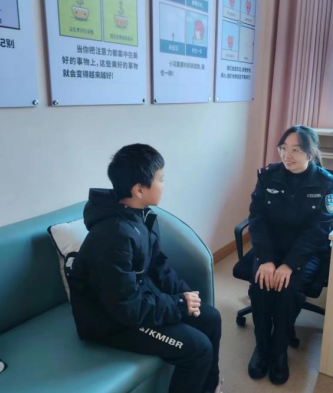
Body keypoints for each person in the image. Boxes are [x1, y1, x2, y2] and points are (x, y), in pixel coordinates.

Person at [67, 144, 223, 393]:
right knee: (198, 349)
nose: (164, 185)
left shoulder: (140, 216)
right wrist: (178, 304)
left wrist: (187, 295)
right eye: (160, 179)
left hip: (137, 300)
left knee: (210, 317)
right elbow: (126, 308)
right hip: (110, 321)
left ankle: (210, 387)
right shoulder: (114, 236)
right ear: (139, 189)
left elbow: (158, 265)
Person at [247, 125, 333, 385]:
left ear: (310, 152)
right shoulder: (268, 176)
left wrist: (288, 265)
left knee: (288, 290)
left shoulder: (325, 183)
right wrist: (266, 260)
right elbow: (257, 220)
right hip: (270, 250)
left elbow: (318, 231)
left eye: (296, 150)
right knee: (260, 286)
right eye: (283, 148)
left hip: (304, 253)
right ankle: (262, 346)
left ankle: (278, 352)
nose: (287, 155)